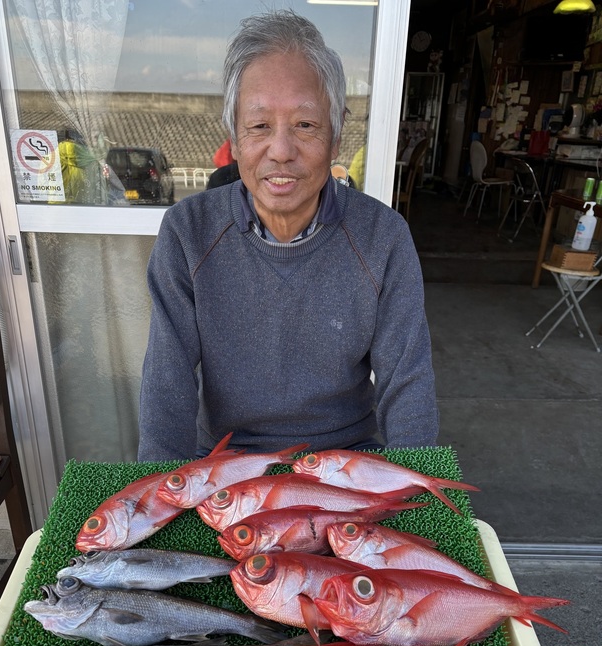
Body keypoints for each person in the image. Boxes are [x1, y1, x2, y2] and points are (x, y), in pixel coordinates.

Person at [138, 9, 439, 462]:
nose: (281, 151)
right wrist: (158, 504)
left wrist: (417, 487)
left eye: (305, 125)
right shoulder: (187, 232)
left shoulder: (383, 237)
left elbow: (407, 382)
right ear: (235, 140)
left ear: (336, 137)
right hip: (225, 459)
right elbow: (167, 380)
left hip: (346, 458)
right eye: (259, 126)